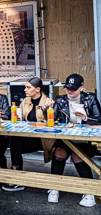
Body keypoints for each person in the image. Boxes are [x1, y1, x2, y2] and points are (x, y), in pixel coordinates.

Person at [48, 73, 101, 207]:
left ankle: (89, 192)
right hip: (68, 140)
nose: (69, 91)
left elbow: (99, 119)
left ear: (81, 88)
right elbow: (52, 119)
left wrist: (85, 119)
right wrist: (46, 109)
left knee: (77, 155)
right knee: (59, 152)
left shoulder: (91, 98)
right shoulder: (60, 100)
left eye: (73, 88)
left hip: (87, 141)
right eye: (67, 88)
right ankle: (55, 187)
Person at [3, 77, 54, 192]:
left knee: (15, 143)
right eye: (25, 87)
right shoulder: (25, 101)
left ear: (37, 89)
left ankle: (16, 174)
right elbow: (20, 117)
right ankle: (16, 173)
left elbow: (51, 123)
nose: (25, 90)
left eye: (28, 87)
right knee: (14, 140)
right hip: (28, 136)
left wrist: (46, 111)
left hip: (43, 139)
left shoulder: (47, 102)